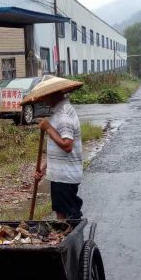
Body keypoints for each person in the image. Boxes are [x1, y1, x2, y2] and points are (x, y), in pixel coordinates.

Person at [33, 83, 83, 221]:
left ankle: (73, 240)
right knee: (61, 211)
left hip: (65, 175)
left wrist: (48, 128)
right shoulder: (59, 111)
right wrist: (43, 167)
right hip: (61, 174)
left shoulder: (63, 115)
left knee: (70, 214)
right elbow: (58, 148)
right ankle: (63, 238)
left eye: (45, 96)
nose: (43, 100)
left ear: (52, 95)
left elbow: (67, 145)